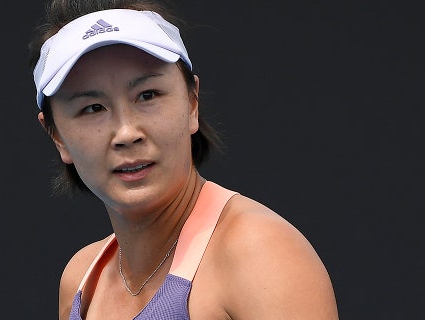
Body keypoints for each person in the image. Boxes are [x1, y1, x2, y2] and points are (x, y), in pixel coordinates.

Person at [28, 0, 339, 319]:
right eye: (92, 108)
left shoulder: (261, 253)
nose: (126, 132)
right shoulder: (80, 279)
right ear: (57, 137)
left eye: (147, 95)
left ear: (192, 103)